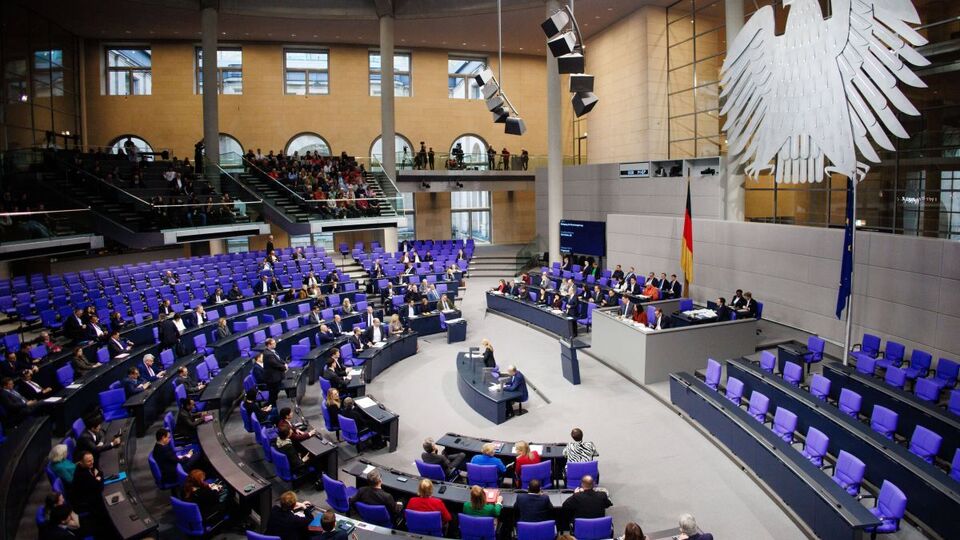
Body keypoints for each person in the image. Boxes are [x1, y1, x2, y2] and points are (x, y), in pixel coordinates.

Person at [69, 452, 106, 524]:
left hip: (87, 495)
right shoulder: (83, 475)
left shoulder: (83, 467)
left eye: (92, 459)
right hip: (84, 503)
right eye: (89, 461)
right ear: (81, 462)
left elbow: (98, 472)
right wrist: (98, 478)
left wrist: (98, 477)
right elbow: (99, 488)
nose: (92, 462)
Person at [262, 338, 287, 405]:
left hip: (275, 376)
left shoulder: (272, 351)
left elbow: (279, 359)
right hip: (272, 378)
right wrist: (284, 367)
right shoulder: (268, 354)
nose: (275, 344)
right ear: (269, 345)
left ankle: (272, 405)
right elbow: (275, 364)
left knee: (275, 393)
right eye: (273, 343)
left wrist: (284, 363)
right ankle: (271, 406)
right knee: (273, 394)